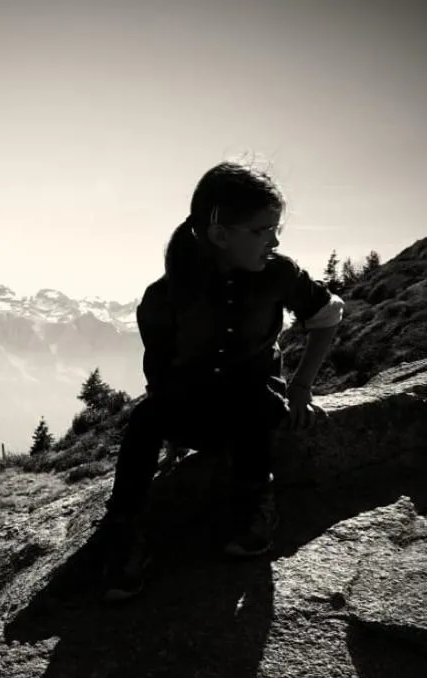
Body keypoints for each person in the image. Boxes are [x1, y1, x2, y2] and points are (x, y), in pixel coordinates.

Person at [101, 161, 344, 600]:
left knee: (250, 400)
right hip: (194, 410)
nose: (274, 240)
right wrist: (173, 434)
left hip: (255, 403)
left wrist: (302, 387)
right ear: (220, 236)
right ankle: (123, 530)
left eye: (276, 228)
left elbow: (327, 314)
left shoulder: (279, 274)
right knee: (144, 420)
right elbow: (160, 374)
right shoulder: (164, 297)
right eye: (263, 229)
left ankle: (254, 503)